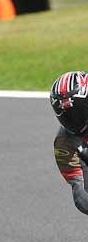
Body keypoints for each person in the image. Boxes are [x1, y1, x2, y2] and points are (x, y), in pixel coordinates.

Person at [50, 71, 88, 213]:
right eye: (66, 115)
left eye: (78, 112)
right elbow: (81, 195)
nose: (73, 120)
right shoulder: (64, 143)